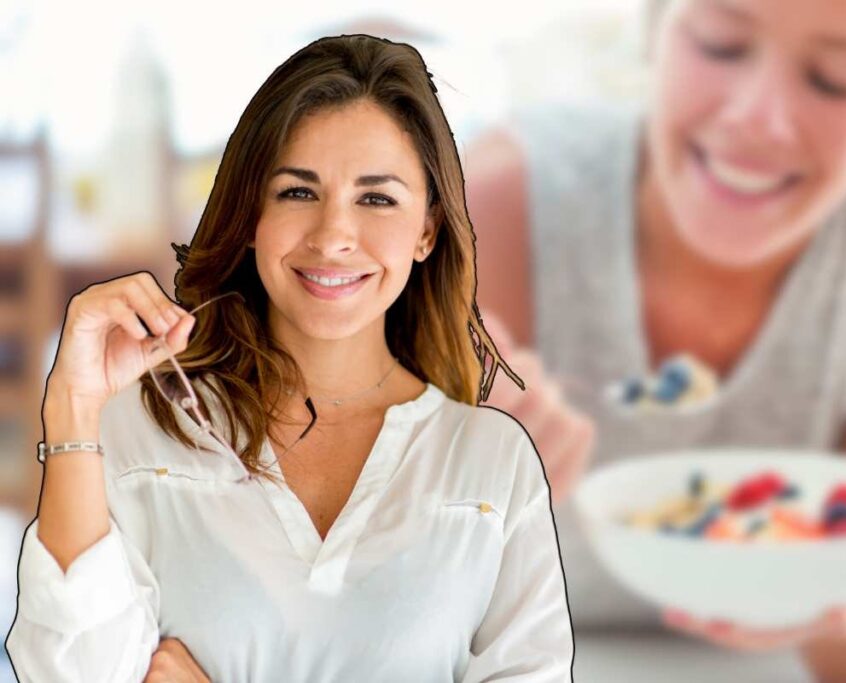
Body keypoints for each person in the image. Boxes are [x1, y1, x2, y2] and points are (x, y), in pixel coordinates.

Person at [465, 0, 846, 680]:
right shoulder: (492, 202)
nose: (759, 118)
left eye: (836, 80)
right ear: (655, 30)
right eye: (720, 45)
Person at [5, 34, 572, 682]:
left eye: (377, 198)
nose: (333, 236)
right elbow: (73, 672)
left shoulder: (494, 464)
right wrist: (72, 407)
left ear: (427, 229)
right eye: (298, 192)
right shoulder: (143, 429)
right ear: (252, 214)